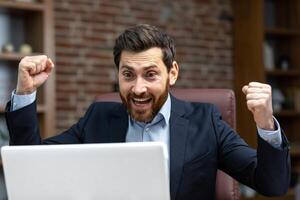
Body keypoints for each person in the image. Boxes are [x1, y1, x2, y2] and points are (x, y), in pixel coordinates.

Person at [6, 24, 290, 199]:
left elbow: (272, 184)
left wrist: (265, 123)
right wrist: (25, 93)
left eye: (151, 74)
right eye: (128, 74)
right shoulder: (98, 117)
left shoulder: (206, 121)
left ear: (173, 73)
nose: (138, 88)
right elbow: (31, 166)